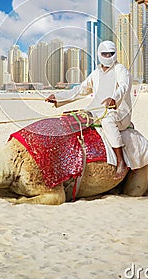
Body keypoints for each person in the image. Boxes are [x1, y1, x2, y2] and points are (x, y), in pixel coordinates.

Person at [46, 40, 132, 179]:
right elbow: (80, 90)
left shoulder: (120, 70)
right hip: (97, 109)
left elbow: (123, 86)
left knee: (107, 121)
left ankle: (121, 162)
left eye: (111, 53)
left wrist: (113, 99)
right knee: (76, 117)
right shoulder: (96, 73)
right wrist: (57, 97)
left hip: (119, 112)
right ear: (99, 54)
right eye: (105, 53)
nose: (108, 56)